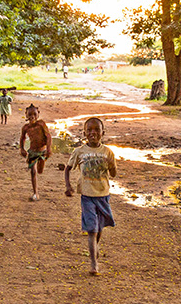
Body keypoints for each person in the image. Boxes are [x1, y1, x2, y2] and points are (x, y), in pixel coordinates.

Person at [65, 117, 117, 276]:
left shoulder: (107, 152)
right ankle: (94, 263)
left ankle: (95, 247)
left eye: (96, 130)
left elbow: (113, 174)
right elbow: (67, 169)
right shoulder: (79, 151)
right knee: (92, 230)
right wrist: (68, 186)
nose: (93, 133)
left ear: (103, 133)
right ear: (84, 133)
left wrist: (111, 164)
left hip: (103, 195)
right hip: (87, 196)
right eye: (89, 130)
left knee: (99, 228)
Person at [19, 104, 52, 201]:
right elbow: (22, 138)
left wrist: (49, 149)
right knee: (33, 172)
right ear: (26, 115)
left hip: (42, 151)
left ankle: (41, 163)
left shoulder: (41, 124)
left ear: (38, 114)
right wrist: (22, 149)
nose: (32, 116)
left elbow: (48, 136)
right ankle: (35, 193)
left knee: (40, 170)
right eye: (29, 115)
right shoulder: (25, 127)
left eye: (34, 114)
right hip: (32, 152)